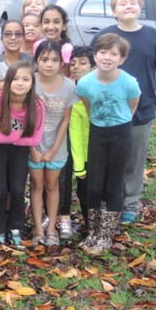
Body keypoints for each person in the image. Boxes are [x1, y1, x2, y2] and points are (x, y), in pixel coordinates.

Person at [93, 0, 156, 224]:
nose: (129, 6)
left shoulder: (153, 35)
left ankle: (130, 204)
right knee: (107, 158)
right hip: (107, 111)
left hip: (141, 109)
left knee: (135, 158)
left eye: (133, 2)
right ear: (114, 11)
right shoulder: (105, 35)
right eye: (123, 3)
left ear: (139, 7)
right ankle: (107, 201)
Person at [76, 33, 141, 254]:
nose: (107, 57)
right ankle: (93, 231)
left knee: (113, 184)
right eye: (103, 52)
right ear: (95, 55)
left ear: (121, 59)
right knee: (94, 185)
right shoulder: (84, 82)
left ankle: (105, 235)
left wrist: (118, 123)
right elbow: (88, 106)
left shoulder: (129, 82)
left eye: (114, 54)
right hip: (97, 133)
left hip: (121, 134)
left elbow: (132, 106)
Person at [0, 61, 44, 246]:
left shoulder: (37, 105)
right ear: (8, 81)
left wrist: (5, 134)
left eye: (25, 79)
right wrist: (19, 135)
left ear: (32, 83)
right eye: (16, 79)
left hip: (20, 151)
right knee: (0, 190)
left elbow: (35, 140)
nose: (20, 83)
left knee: (18, 190)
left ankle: (15, 229)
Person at [29, 40, 77, 247]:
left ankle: (51, 230)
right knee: (36, 185)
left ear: (62, 62)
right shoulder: (30, 81)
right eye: (44, 59)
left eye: (55, 60)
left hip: (56, 146)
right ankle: (38, 228)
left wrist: (55, 149)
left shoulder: (68, 85)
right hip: (33, 145)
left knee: (52, 185)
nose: (49, 64)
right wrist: (32, 148)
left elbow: (65, 119)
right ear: (36, 60)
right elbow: (24, 117)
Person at [68, 46, 96, 234]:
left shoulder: (100, 90)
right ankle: (90, 225)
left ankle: (107, 227)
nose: (76, 67)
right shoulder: (73, 92)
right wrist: (79, 166)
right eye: (73, 63)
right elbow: (75, 133)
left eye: (83, 63)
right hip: (84, 155)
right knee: (84, 192)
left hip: (104, 152)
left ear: (93, 66)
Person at [0, 20, 31, 95]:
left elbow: (33, 85)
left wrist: (1, 83)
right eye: (8, 34)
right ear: (1, 39)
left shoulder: (29, 59)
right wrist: (23, 80)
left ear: (23, 38)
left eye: (18, 34)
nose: (13, 37)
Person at [37, 5, 74, 76]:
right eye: (46, 22)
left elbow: (63, 78)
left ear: (64, 25)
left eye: (56, 22)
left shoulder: (66, 49)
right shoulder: (38, 45)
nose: (51, 27)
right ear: (41, 24)